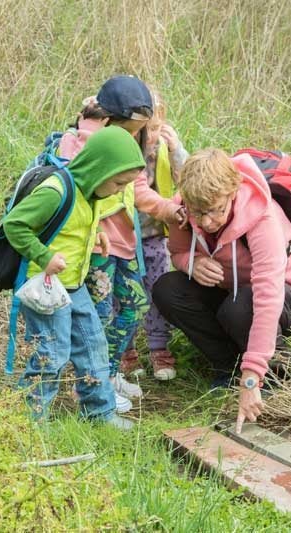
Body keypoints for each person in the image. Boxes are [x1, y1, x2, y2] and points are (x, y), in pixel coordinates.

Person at [152, 148, 291, 433]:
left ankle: (278, 370)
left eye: (216, 211)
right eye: (198, 213)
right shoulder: (185, 206)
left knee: (240, 306)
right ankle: (228, 366)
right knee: (168, 289)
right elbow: (177, 251)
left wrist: (252, 377)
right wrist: (192, 263)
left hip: (284, 301)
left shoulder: (262, 218)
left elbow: (268, 296)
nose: (206, 222)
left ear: (232, 194)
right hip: (232, 293)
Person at [3, 126, 146, 430]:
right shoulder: (56, 191)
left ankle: (99, 413)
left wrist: (96, 234)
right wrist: (44, 257)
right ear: (99, 169)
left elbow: (72, 224)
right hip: (46, 287)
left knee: (93, 345)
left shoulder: (91, 191)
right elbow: (14, 225)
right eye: (119, 182)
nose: (121, 190)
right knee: (52, 354)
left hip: (74, 284)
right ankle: (29, 420)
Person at [58, 76, 184, 413]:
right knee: (97, 318)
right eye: (132, 128)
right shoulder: (80, 143)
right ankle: (89, 385)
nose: (136, 136)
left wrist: (169, 210)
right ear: (111, 119)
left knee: (133, 306)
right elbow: (73, 189)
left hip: (127, 245)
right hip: (97, 248)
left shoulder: (128, 142)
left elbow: (139, 188)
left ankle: (109, 373)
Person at [119, 90, 189, 382]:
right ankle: (126, 351)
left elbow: (187, 181)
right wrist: (169, 210)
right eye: (145, 129)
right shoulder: (124, 150)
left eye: (157, 128)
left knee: (156, 293)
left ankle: (159, 349)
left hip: (153, 237)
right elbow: (139, 194)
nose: (151, 135)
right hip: (124, 238)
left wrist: (177, 151)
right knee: (124, 297)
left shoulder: (162, 148)